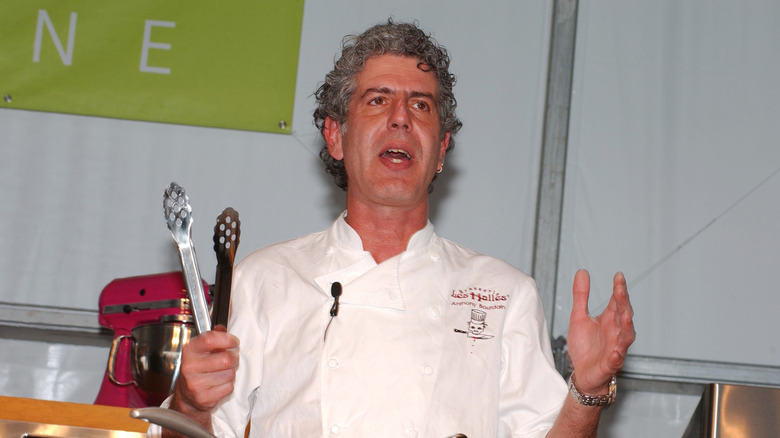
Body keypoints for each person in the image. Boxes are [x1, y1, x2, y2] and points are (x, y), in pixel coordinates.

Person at [154, 20, 635, 438]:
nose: (401, 118)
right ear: (336, 136)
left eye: (421, 106)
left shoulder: (503, 293)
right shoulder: (265, 279)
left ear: (442, 148)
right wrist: (190, 405)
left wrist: (586, 391)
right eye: (378, 100)